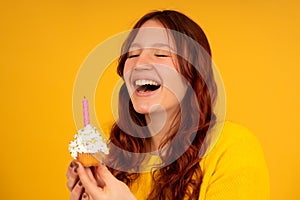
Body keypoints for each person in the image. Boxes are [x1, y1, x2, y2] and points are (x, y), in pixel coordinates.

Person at [66, 10, 270, 200]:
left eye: (161, 54)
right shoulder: (114, 160)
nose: (139, 64)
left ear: (194, 74)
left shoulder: (232, 148)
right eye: (133, 54)